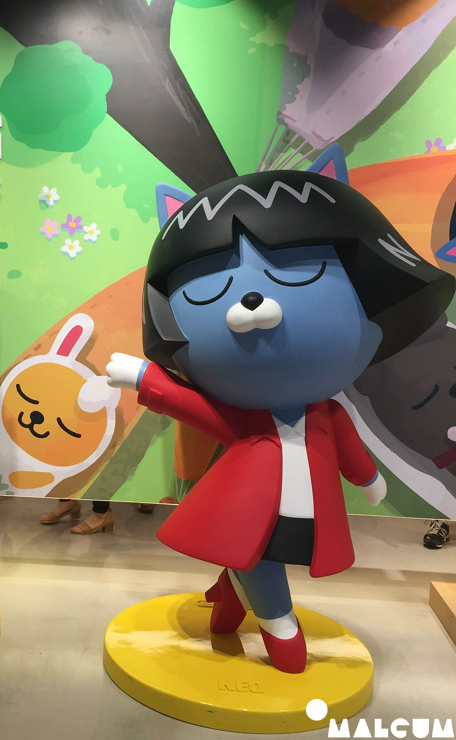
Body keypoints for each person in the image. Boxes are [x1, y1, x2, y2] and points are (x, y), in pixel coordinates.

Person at [106, 145, 454, 672]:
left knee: (251, 555)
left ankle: (227, 601)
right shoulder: (244, 421)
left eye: (299, 274)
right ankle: (278, 624)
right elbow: (193, 406)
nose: (250, 304)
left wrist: (368, 480)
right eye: (214, 291)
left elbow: (349, 450)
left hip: (310, 509)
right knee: (258, 557)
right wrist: (145, 377)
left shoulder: (327, 414)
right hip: (247, 507)